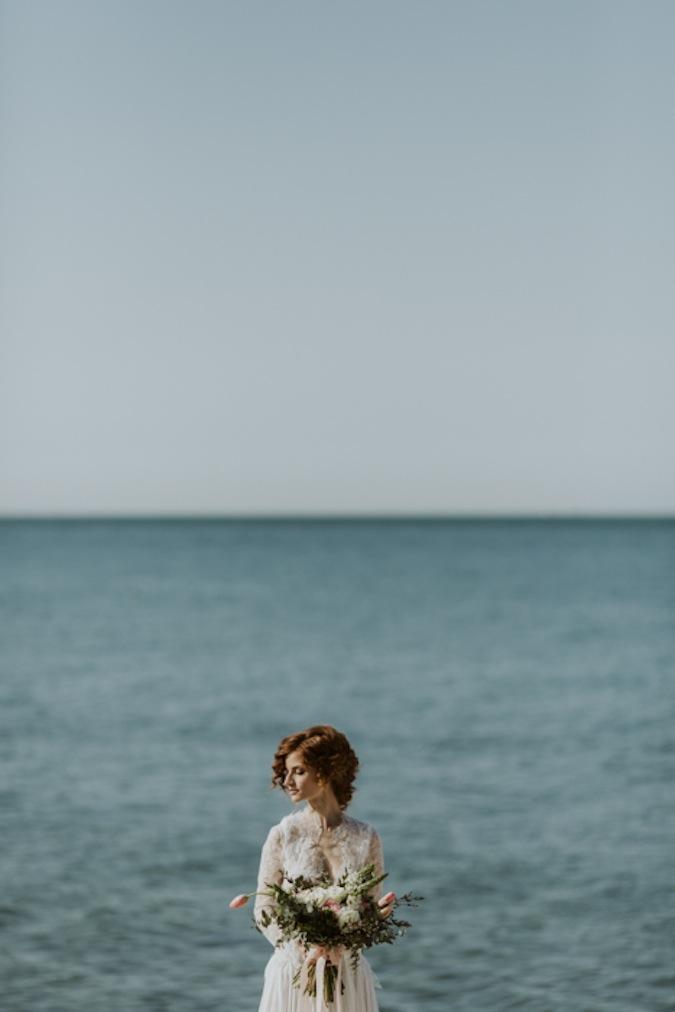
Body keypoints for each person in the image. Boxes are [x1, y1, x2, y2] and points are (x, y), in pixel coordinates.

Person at [255, 725, 392, 1011]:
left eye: (298, 771)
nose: (287, 780)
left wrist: (374, 917)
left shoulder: (367, 837)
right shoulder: (283, 834)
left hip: (348, 973)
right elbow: (264, 907)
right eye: (286, 772)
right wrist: (304, 948)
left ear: (325, 772)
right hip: (294, 973)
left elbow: (368, 908)